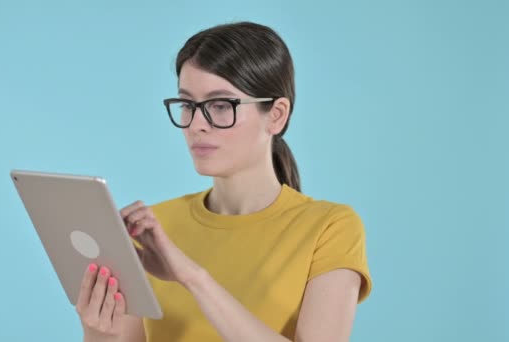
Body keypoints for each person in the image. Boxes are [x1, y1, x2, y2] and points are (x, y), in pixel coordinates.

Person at [75, 21, 372, 342]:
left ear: (276, 115)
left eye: (220, 105)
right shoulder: (153, 228)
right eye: (188, 104)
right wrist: (98, 331)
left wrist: (191, 276)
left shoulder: (330, 227)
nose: (197, 124)